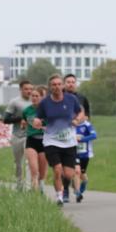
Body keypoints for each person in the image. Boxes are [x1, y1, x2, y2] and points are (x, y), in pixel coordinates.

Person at [33, 75, 81, 206]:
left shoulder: (71, 99)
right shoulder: (45, 103)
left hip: (69, 142)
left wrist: (77, 120)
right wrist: (37, 121)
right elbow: (38, 118)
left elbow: (81, 112)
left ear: (63, 86)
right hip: (51, 141)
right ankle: (59, 197)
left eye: (59, 84)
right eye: (54, 85)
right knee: (57, 169)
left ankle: (64, 187)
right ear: (50, 87)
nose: (57, 87)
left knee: (69, 174)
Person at [2, 81, 34, 190]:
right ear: (21, 89)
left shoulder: (35, 101)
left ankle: (29, 187)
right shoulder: (14, 102)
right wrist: (21, 119)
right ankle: (19, 184)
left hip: (29, 135)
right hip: (17, 135)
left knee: (29, 161)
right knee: (18, 162)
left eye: (30, 89)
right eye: (26, 89)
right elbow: (5, 120)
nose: (29, 91)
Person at [23, 86, 48, 195]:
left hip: (43, 141)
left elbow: (52, 125)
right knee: (34, 170)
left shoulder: (46, 110)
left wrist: (42, 127)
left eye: (37, 96)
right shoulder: (26, 110)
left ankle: (41, 186)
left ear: (42, 97)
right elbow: (24, 121)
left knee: (42, 172)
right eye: (32, 96)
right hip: (31, 140)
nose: (34, 98)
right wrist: (23, 124)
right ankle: (35, 195)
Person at [74, 119, 97, 202]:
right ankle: (77, 193)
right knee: (76, 172)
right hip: (73, 153)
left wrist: (81, 139)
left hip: (85, 154)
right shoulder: (71, 123)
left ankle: (84, 183)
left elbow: (94, 135)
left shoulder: (87, 125)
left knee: (82, 174)